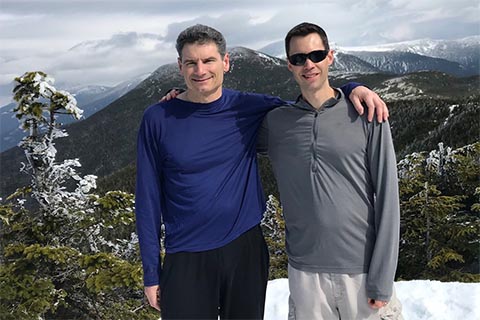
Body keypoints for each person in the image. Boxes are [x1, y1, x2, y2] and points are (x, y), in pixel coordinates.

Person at [135, 24, 389, 319]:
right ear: (180, 66)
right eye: (191, 62)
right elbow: (148, 199)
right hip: (185, 254)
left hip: (244, 248)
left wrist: (351, 87)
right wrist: (151, 272)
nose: (200, 70)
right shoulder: (158, 118)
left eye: (208, 61)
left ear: (225, 62)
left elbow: (311, 104)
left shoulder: (248, 107)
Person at [258, 22, 402, 319]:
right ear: (289, 65)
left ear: (330, 56)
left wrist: (382, 278)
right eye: (298, 58)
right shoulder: (276, 124)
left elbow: (388, 195)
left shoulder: (367, 115)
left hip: (362, 271)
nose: (308, 64)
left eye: (316, 55)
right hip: (304, 274)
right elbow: (220, 120)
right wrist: (184, 95)